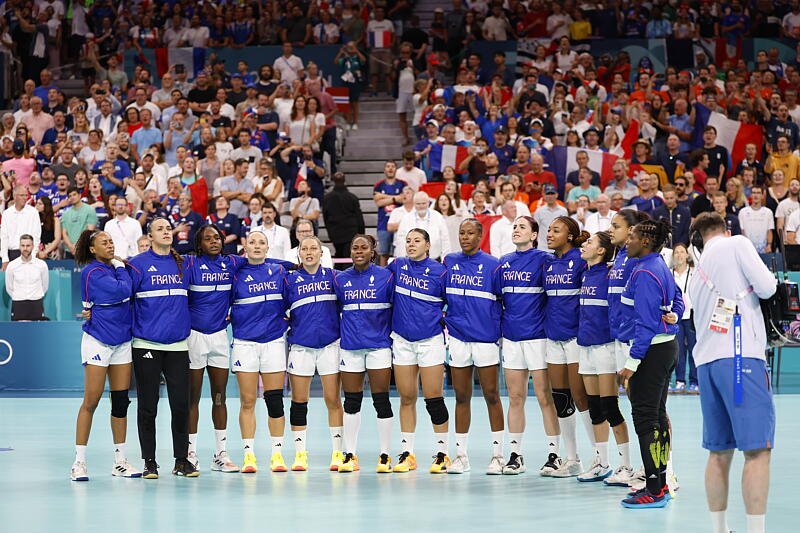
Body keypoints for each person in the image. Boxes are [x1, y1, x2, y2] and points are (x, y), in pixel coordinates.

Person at [688, 212, 776, 533]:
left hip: (707, 364)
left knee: (719, 452)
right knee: (756, 451)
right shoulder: (737, 243)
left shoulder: (697, 274)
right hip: (741, 358)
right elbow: (767, 288)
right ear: (727, 230)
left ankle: (719, 528)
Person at [618, 218, 683, 508]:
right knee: (655, 417)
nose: (626, 241)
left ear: (645, 242)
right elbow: (679, 298)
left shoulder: (645, 272)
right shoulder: (657, 266)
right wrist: (675, 315)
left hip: (651, 353)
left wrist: (632, 363)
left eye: (631, 236)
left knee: (646, 419)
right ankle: (659, 484)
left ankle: (655, 490)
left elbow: (645, 324)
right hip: (665, 349)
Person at [127, 217, 198, 478]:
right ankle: (150, 461)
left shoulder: (184, 263)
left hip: (178, 345)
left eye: (169, 229)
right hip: (146, 343)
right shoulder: (136, 265)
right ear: (150, 235)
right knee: (148, 405)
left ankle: (181, 460)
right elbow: (122, 297)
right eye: (161, 229)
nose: (167, 232)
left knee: (181, 404)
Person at [71, 230, 140, 481]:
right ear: (92, 249)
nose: (110, 245)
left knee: (121, 402)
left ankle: (120, 461)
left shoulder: (114, 268)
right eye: (104, 242)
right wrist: (122, 266)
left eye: (111, 241)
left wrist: (121, 267)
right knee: (91, 400)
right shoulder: (93, 272)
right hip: (98, 341)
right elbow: (122, 291)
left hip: (122, 342)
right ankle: (79, 462)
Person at [498, 216, 561, 474]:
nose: (516, 230)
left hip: (538, 336)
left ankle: (554, 454)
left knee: (545, 397)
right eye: (514, 226)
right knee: (515, 397)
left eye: (522, 226)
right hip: (511, 337)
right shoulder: (504, 262)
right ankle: (515, 454)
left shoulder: (545, 260)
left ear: (534, 234)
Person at [443, 219, 505, 474]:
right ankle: (460, 455)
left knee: (491, 394)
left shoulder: (493, 265)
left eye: (470, 233)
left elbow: (503, 300)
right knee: (460, 396)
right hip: (458, 337)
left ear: (480, 236)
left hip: (485, 338)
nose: (465, 237)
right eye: (462, 233)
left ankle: (499, 456)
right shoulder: (449, 261)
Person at [386, 228, 450, 473]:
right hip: (402, 341)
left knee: (434, 398)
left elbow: (452, 303)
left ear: (428, 245)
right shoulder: (397, 266)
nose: (411, 244)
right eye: (408, 241)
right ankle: (408, 453)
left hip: (430, 341)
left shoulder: (440, 272)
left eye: (417, 241)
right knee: (406, 397)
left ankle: (443, 454)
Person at [333, 235, 395, 473]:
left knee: (381, 400)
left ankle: (385, 455)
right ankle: (350, 454)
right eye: (354, 247)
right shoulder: (341, 279)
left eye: (363, 247)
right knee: (351, 402)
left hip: (378, 345)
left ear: (372, 251)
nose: (358, 251)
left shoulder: (386, 276)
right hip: (350, 347)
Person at [229, 230, 290, 473]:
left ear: (268, 247)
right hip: (245, 343)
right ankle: (249, 455)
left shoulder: (279, 272)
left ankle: (277, 455)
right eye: (252, 242)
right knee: (247, 400)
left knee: (274, 400)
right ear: (245, 246)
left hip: (273, 342)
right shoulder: (236, 273)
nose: (256, 245)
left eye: (261, 242)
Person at [183, 225, 242, 474]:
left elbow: (262, 259)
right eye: (208, 239)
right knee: (192, 398)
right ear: (199, 244)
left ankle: (221, 454)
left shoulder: (231, 263)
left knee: (220, 396)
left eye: (217, 237)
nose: (214, 241)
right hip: (194, 337)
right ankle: (190, 453)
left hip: (219, 337)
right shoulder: (190, 264)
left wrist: (296, 265)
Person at [576, 231, 633, 482]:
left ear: (601, 251)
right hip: (585, 346)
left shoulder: (610, 274)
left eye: (589, 243)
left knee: (611, 407)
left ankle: (626, 465)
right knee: (594, 408)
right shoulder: (585, 273)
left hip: (606, 346)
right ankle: (601, 462)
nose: (584, 245)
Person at [284, 236, 344, 471]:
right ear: (299, 254)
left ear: (322, 253)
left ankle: (338, 453)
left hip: (330, 345)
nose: (309, 252)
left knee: (333, 399)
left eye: (313, 249)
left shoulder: (334, 278)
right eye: (304, 249)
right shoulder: (290, 280)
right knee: (299, 401)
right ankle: (300, 454)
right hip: (301, 347)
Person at [542, 217, 592, 477]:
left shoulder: (581, 261)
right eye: (549, 230)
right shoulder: (548, 263)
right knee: (561, 398)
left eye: (555, 230)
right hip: (553, 338)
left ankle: (599, 456)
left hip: (575, 338)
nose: (549, 234)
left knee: (581, 396)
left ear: (570, 236)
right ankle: (573, 459)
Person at [670, 243, 697, 394]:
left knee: (694, 349)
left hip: (692, 316)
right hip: (676, 317)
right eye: (677, 253)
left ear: (687, 255)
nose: (679, 255)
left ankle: (694, 381)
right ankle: (680, 380)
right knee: (678, 351)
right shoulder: (668, 273)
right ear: (673, 256)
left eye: (682, 252)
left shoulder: (694, 273)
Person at [395, 191, 452, 261]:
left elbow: (445, 240)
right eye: (418, 204)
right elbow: (400, 240)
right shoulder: (406, 218)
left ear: (428, 203)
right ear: (414, 204)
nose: (421, 206)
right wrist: (401, 260)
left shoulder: (438, 216)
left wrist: (446, 261)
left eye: (424, 203)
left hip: (434, 260)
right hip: (412, 261)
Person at [323, 172, 365, 260]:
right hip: (350, 233)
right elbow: (359, 218)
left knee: (340, 254)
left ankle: (339, 272)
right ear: (345, 180)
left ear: (333, 181)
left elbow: (325, 217)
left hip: (335, 233)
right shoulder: (352, 197)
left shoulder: (327, 198)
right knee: (346, 256)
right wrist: (361, 234)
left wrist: (330, 232)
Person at [4, 234, 48, 321]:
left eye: (28, 245)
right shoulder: (12, 266)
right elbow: (9, 288)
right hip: (18, 304)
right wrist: (19, 296)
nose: (25, 248)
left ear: (32, 246)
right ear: (19, 246)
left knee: (37, 332)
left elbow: (45, 286)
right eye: (23, 245)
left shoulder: (41, 265)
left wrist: (36, 295)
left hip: (36, 304)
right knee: (17, 333)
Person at [1, 186, 41, 267]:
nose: (25, 198)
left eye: (26, 195)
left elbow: (36, 235)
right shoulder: (6, 213)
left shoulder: (33, 212)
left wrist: (33, 256)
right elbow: (4, 237)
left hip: (28, 253)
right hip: (11, 253)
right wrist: (4, 259)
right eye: (22, 195)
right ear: (15, 196)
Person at [60, 186, 98, 259]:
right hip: (70, 250)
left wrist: (78, 246)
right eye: (70, 196)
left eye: (74, 194)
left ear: (80, 195)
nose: (72, 197)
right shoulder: (65, 213)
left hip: (85, 248)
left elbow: (89, 231)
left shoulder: (90, 210)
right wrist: (71, 246)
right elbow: (64, 233)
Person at [738, 186, 774, 253]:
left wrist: (769, 245)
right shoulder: (743, 212)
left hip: (763, 250)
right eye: (754, 193)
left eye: (758, 193)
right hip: (747, 249)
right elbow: (742, 231)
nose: (756, 195)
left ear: (762, 196)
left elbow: (769, 230)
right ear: (750, 195)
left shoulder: (768, 212)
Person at [533, 184, 567, 251]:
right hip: (542, 248)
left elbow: (565, 229)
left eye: (552, 193)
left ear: (557, 195)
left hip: (558, 248)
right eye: (548, 194)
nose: (550, 196)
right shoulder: (539, 211)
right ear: (544, 196)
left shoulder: (563, 211)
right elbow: (535, 230)